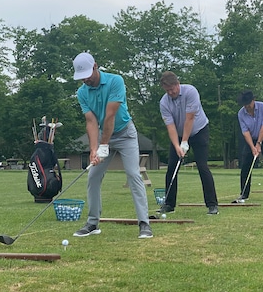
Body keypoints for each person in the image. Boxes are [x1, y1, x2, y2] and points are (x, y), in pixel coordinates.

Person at [71, 52, 152, 239]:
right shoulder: (82, 92)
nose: (85, 80)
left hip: (125, 133)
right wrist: (94, 149)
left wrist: (104, 145)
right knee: (93, 176)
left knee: (133, 174)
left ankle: (144, 223)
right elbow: (91, 121)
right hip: (102, 135)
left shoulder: (116, 81)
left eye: (87, 76)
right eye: (81, 78)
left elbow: (110, 116)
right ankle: (92, 223)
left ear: (95, 66)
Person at [159, 71, 219, 215]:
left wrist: (185, 142)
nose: (171, 92)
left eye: (172, 89)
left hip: (199, 130)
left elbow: (190, 118)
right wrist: (177, 146)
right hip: (179, 134)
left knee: (202, 166)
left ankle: (212, 204)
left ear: (178, 84)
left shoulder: (191, 92)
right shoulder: (164, 102)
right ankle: (169, 204)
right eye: (167, 90)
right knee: (172, 167)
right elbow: (171, 126)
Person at [237, 90, 263, 201]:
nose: (247, 106)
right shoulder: (241, 113)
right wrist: (252, 147)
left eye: (248, 104)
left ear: (253, 100)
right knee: (246, 164)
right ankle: (244, 194)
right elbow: (245, 132)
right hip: (251, 138)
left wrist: (259, 144)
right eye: (244, 104)